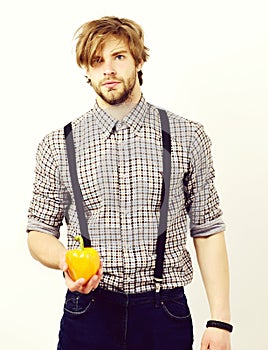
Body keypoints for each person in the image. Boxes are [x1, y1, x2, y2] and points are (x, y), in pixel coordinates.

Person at [27, 16, 232, 350]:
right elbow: (38, 232)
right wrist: (65, 259)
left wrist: (220, 320)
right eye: (97, 61)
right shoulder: (58, 144)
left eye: (118, 57)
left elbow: (207, 228)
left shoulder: (187, 135)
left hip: (164, 310)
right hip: (88, 310)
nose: (108, 69)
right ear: (87, 71)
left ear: (138, 61)